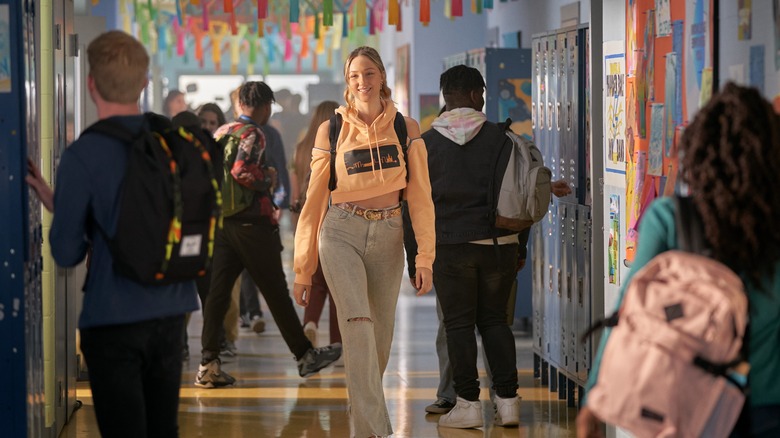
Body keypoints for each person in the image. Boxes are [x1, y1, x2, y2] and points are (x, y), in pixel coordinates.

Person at [576, 83, 780, 438]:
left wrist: (595, 395)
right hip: (770, 405)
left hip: (694, 404)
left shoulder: (671, 218)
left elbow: (630, 310)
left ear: (698, 153)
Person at [28, 30, 198, 436]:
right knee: (162, 429)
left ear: (90, 85)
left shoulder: (83, 155)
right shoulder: (172, 143)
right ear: (144, 83)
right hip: (172, 310)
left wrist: (66, 209)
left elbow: (66, 253)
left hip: (113, 317)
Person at [292, 46, 436, 438]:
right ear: (347, 82)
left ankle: (362, 406)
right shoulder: (331, 130)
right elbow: (314, 200)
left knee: (379, 337)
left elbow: (420, 197)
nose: (362, 82)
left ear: (382, 76)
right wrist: (304, 268)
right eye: (355, 75)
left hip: (389, 235)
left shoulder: (406, 127)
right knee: (357, 325)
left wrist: (424, 257)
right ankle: (374, 430)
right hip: (341, 232)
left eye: (369, 73)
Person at [403, 64, 528, 429]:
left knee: (458, 326)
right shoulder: (504, 139)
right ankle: (507, 402)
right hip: (498, 245)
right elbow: (521, 199)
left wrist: (417, 259)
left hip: (449, 247)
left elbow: (413, 207)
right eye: (483, 93)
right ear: (476, 95)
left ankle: (468, 404)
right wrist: (520, 247)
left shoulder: (424, 145)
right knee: (495, 322)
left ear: (446, 96)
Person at [196, 81, 342, 388]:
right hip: (252, 224)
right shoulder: (254, 133)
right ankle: (304, 356)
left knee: (217, 293)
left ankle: (208, 363)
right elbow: (242, 171)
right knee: (276, 290)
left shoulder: (221, 132)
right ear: (263, 106)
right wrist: (269, 177)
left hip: (224, 223)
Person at [289, 100, 342, 347]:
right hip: (334, 218)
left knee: (315, 279)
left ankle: (310, 323)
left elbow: (295, 193)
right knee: (336, 284)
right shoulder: (339, 146)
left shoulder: (301, 148)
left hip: (307, 220)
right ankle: (336, 341)